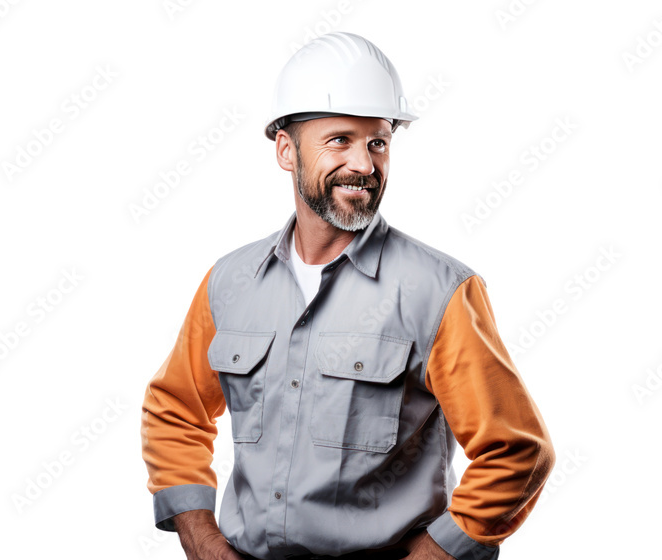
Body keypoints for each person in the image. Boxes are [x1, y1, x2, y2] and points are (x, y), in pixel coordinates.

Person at [140, 32, 555, 560]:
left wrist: (434, 554)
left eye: (378, 142)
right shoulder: (230, 282)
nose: (364, 164)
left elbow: (516, 450)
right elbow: (175, 409)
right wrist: (200, 538)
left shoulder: (439, 291)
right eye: (340, 140)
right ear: (286, 150)